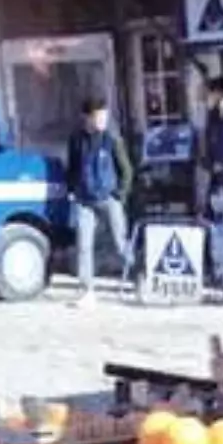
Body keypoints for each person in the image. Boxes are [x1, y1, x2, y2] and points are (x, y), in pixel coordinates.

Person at [66, 96, 133, 307]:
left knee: (120, 242)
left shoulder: (112, 139)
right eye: (98, 116)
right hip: (85, 200)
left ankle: (138, 276)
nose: (102, 120)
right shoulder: (76, 139)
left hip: (108, 198)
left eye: (105, 115)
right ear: (86, 117)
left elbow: (127, 170)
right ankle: (87, 291)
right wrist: (72, 190)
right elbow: (73, 167)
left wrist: (120, 194)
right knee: (84, 245)